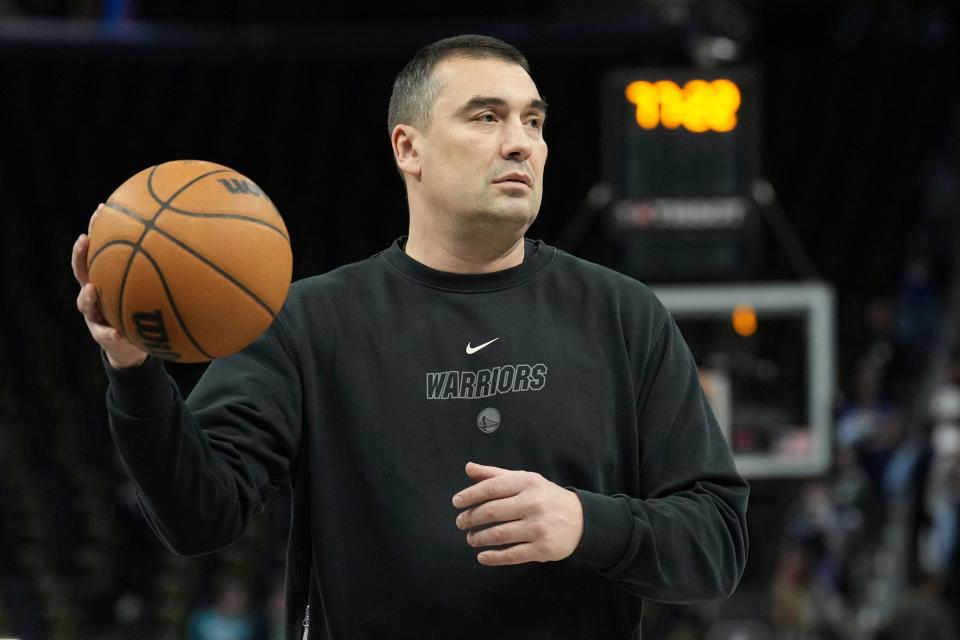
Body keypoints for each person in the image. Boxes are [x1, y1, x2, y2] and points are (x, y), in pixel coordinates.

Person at [71, 35, 749, 638]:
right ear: (408, 147)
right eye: (486, 117)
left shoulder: (622, 315)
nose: (521, 142)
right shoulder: (308, 323)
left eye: (533, 121)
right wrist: (133, 369)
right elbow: (198, 518)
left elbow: (715, 544)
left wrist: (585, 522)